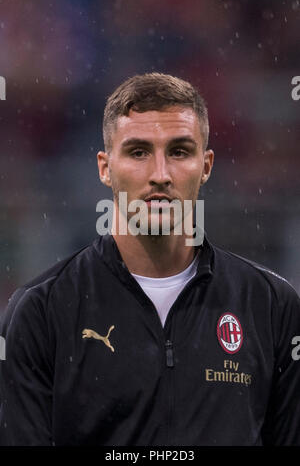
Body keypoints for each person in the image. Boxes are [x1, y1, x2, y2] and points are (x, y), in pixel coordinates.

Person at [0, 72, 300, 446]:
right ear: (105, 168)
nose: (160, 175)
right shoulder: (41, 311)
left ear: (205, 166)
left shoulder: (272, 306)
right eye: (139, 152)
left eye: (179, 151)